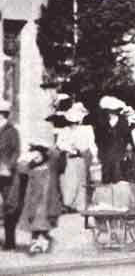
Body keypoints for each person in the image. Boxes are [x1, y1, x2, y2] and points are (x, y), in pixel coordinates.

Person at [17, 137, 67, 254]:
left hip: (47, 202)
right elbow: (21, 167)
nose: (36, 158)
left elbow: (55, 155)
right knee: (34, 226)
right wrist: (30, 155)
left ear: (44, 155)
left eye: (38, 155)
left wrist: (44, 147)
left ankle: (43, 242)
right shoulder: (31, 168)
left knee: (44, 225)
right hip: (34, 202)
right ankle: (36, 242)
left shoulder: (50, 166)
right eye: (34, 157)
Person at [53, 103, 95, 212]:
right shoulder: (65, 131)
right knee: (69, 182)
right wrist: (69, 147)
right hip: (69, 158)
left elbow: (89, 144)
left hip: (81, 158)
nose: (73, 124)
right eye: (72, 122)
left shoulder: (86, 130)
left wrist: (80, 148)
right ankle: (69, 204)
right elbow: (59, 144)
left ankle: (79, 205)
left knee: (81, 182)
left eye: (75, 122)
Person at [94, 101, 131, 184]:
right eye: (108, 111)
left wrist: (125, 151)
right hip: (106, 155)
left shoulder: (123, 122)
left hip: (119, 155)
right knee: (106, 178)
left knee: (117, 177)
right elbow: (98, 139)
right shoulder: (102, 123)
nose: (110, 114)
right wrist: (100, 153)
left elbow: (127, 137)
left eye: (112, 111)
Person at [0, 100, 20, 250]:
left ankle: (10, 241)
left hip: (6, 173)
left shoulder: (12, 131)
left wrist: (8, 166)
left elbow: (16, 151)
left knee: (9, 206)